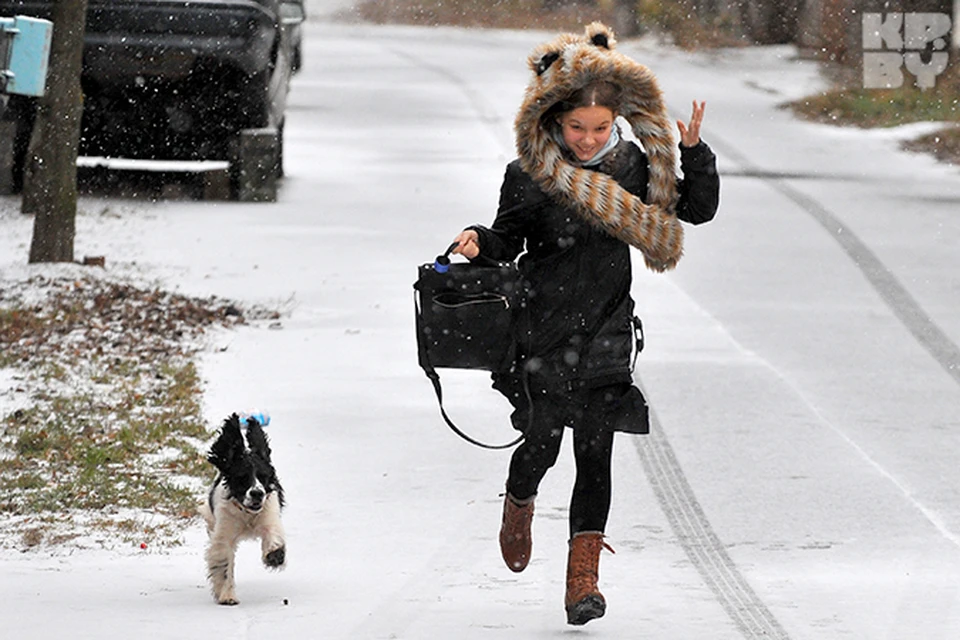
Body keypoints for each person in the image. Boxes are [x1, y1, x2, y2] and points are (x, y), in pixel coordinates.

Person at [448, 23, 720, 626]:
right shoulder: (530, 174)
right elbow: (507, 237)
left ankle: (582, 582)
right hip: (542, 332)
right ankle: (520, 498)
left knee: (595, 455)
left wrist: (693, 154)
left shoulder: (630, 169)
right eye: (577, 128)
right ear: (553, 121)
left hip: (606, 331)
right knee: (542, 445)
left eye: (600, 128)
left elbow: (696, 210)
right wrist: (477, 241)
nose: (589, 139)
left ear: (616, 121)